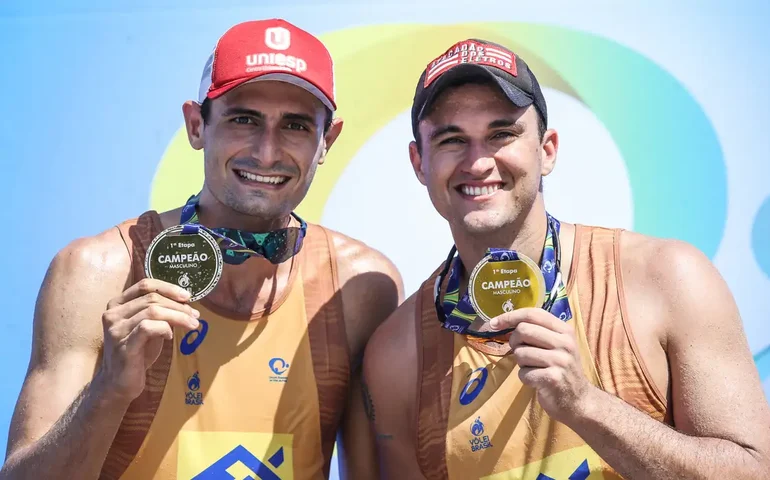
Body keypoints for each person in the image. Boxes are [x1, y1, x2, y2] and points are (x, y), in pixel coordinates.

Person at [1, 18, 403, 480]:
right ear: (196, 125)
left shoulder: (356, 287)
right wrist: (109, 391)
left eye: (294, 125)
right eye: (243, 119)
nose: (267, 152)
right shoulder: (99, 270)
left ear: (326, 142)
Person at [362, 37, 770, 479]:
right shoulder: (397, 352)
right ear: (419, 163)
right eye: (451, 139)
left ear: (547, 149)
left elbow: (754, 471)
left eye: (501, 134)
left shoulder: (666, 277)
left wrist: (585, 404)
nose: (478, 162)